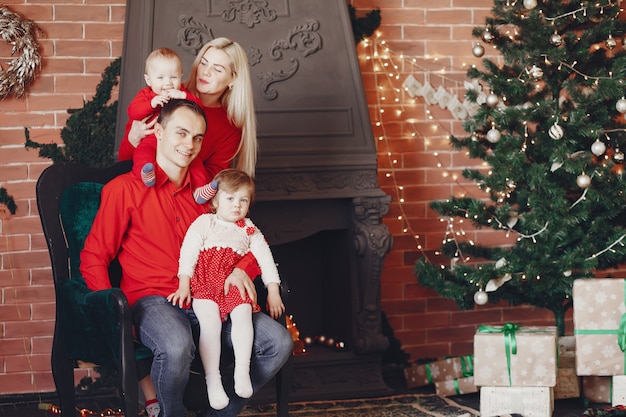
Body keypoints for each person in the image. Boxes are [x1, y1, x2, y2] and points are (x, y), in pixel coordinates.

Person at [80, 99, 293, 417]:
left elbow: (245, 239)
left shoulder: (209, 194)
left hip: (211, 295)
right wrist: (114, 315)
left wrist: (240, 270)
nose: (189, 144)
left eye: (197, 137)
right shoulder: (125, 190)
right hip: (153, 300)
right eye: (181, 133)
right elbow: (94, 256)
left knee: (278, 343)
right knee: (176, 346)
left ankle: (217, 414)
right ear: (160, 131)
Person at [121, 37, 261, 417]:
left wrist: (237, 265)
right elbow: (129, 158)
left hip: (200, 205)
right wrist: (134, 139)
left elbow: (216, 199)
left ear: (233, 80)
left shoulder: (226, 128)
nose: (205, 73)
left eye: (218, 69)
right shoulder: (171, 97)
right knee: (176, 337)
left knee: (267, 339)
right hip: (162, 189)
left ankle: (215, 407)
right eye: (203, 63)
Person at [168, 168, 285, 410]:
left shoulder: (249, 229)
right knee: (211, 324)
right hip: (205, 284)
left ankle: (242, 371)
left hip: (232, 284)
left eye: (243, 200)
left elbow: (265, 258)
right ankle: (213, 380)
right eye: (230, 198)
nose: (236, 205)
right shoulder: (205, 222)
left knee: (243, 317)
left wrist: (273, 289)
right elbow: (188, 253)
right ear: (215, 200)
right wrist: (183, 283)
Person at [120, 47, 216, 204]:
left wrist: (184, 96)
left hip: (176, 144)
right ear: (148, 80)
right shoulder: (146, 95)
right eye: (160, 78)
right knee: (143, 154)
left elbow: (199, 108)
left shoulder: (182, 92)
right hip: (151, 140)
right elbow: (133, 112)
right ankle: (146, 173)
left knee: (195, 162)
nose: (168, 83)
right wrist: (151, 104)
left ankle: (201, 189)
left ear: (181, 76)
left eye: (173, 77)